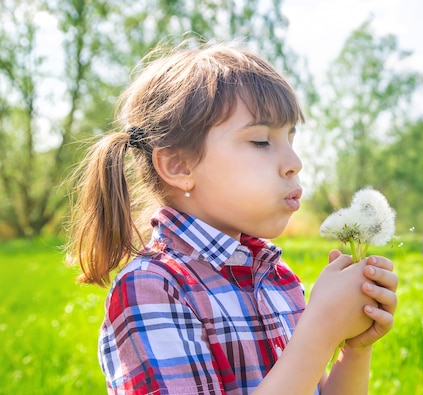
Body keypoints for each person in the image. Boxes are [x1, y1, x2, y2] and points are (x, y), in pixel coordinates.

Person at [65, 40, 398, 395]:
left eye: (291, 138)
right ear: (178, 165)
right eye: (260, 141)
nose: (295, 162)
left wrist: (354, 349)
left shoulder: (277, 279)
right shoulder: (153, 288)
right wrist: (320, 331)